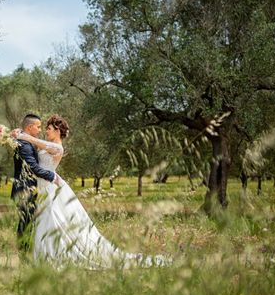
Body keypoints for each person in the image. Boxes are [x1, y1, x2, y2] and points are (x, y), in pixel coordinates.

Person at [13, 114, 167, 268]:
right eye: (44, 128)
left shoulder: (57, 147)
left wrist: (22, 135)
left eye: (49, 128)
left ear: (58, 131)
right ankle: (44, 256)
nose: (46, 131)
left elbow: (34, 141)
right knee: (47, 222)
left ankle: (54, 256)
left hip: (50, 188)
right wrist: (18, 134)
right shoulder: (47, 144)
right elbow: (34, 148)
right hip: (43, 187)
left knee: (53, 220)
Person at [11, 113, 60, 252]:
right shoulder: (25, 146)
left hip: (28, 188)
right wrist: (51, 175)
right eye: (38, 127)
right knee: (25, 224)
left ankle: (27, 254)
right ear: (30, 127)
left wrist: (18, 133)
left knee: (27, 223)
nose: (40, 130)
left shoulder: (26, 142)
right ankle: (24, 255)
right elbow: (34, 168)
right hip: (25, 190)